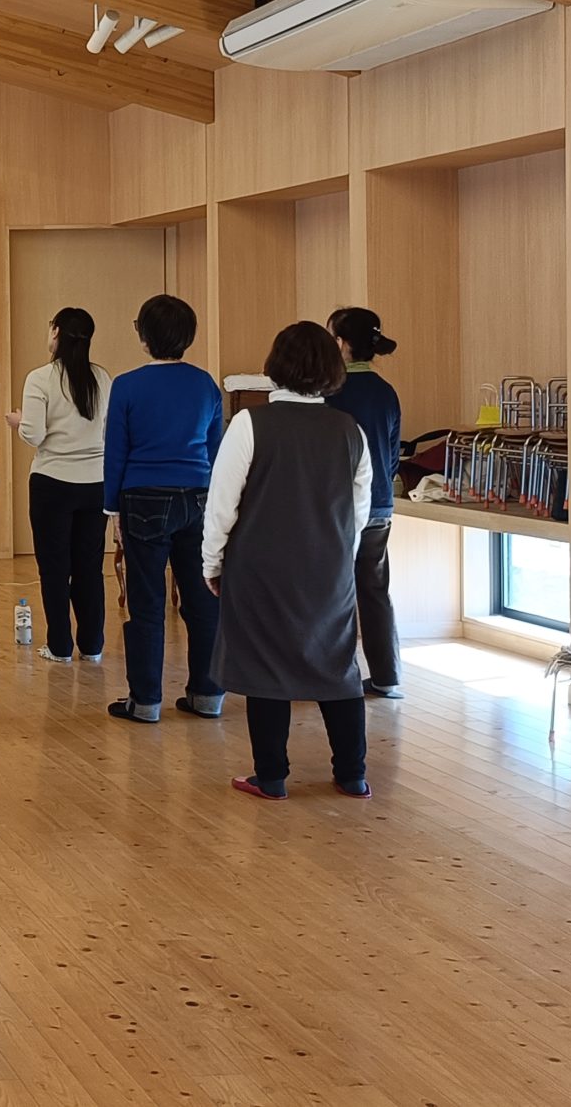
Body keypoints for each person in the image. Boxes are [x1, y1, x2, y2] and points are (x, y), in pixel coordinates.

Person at [205, 322, 375, 800]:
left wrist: (211, 562)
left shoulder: (250, 424)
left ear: (274, 366)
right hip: (329, 570)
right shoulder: (350, 430)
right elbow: (358, 511)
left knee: (265, 668)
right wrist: (338, 558)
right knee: (338, 666)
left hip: (259, 567)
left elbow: (222, 505)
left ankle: (272, 776)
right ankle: (353, 774)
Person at [102, 294, 227, 725]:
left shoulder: (127, 385)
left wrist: (112, 509)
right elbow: (215, 450)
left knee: (147, 601)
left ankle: (146, 701)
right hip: (199, 497)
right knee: (203, 599)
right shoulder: (205, 384)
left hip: (143, 498)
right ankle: (208, 694)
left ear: (144, 336)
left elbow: (116, 452)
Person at [4, 307, 113, 664]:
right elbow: (107, 431)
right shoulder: (102, 378)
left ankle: (60, 646)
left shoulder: (40, 378)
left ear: (56, 332)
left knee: (54, 567)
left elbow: (34, 434)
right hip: (96, 482)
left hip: (52, 483)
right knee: (89, 567)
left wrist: (19, 422)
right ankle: (93, 646)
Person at [327, 306, 405, 700]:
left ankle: (333, 674)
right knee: (374, 590)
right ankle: (387, 677)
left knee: (332, 592)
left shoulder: (331, 392)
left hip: (338, 507)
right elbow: (391, 455)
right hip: (379, 505)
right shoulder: (385, 391)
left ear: (341, 343)